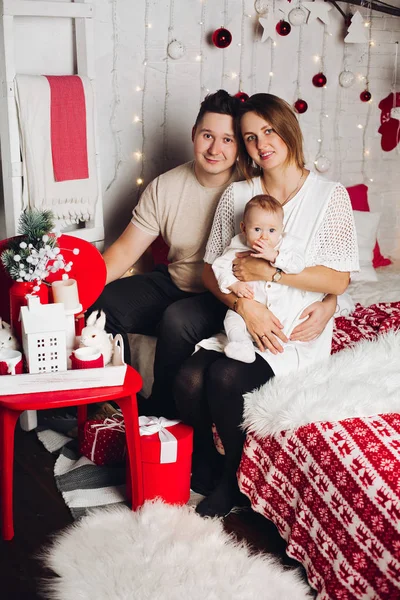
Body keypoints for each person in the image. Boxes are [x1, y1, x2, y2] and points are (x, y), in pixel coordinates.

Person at [174, 93, 359, 518]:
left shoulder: (329, 197)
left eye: (269, 131)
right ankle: (208, 458)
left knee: (223, 376)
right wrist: (244, 307)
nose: (262, 144)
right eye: (250, 137)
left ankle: (233, 482)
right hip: (246, 317)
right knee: (187, 379)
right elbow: (209, 271)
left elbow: (338, 279)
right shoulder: (238, 195)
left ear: (288, 128)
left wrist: (271, 275)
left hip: (291, 331)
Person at [88, 90, 241, 418]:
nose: (215, 149)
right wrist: (81, 287)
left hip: (221, 293)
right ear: (194, 135)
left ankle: (160, 412)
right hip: (174, 282)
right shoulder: (166, 186)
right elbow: (126, 249)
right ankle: (118, 401)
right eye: (208, 136)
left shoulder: (248, 188)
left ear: (239, 145)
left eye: (228, 139)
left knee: (177, 319)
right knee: (102, 302)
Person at [212, 193, 308, 365]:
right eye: (257, 229)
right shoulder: (238, 244)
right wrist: (233, 284)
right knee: (231, 319)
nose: (264, 237)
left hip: (280, 308)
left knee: (285, 324)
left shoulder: (286, 245)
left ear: (281, 229)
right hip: (247, 305)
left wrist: (275, 256)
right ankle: (242, 346)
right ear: (243, 228)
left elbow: (298, 265)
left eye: (271, 230)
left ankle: (276, 347)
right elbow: (219, 266)